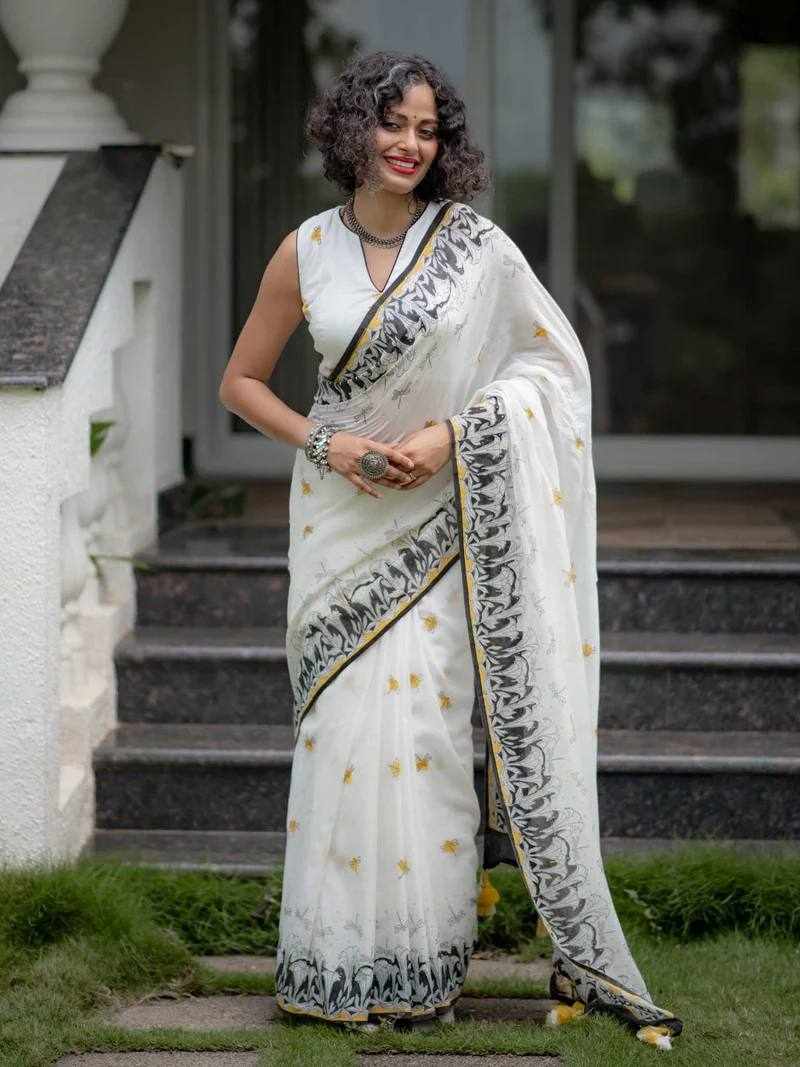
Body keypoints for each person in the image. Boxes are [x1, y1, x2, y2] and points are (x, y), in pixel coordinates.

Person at [218, 49, 683, 1050]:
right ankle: (333, 962)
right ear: (353, 129)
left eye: (427, 130)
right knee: (342, 735)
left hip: (440, 516)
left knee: (425, 732)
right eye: (393, 124)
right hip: (339, 521)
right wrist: (327, 442)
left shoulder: (474, 248)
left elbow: (551, 368)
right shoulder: (305, 251)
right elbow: (240, 384)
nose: (409, 145)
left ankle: (420, 965)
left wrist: (456, 433)